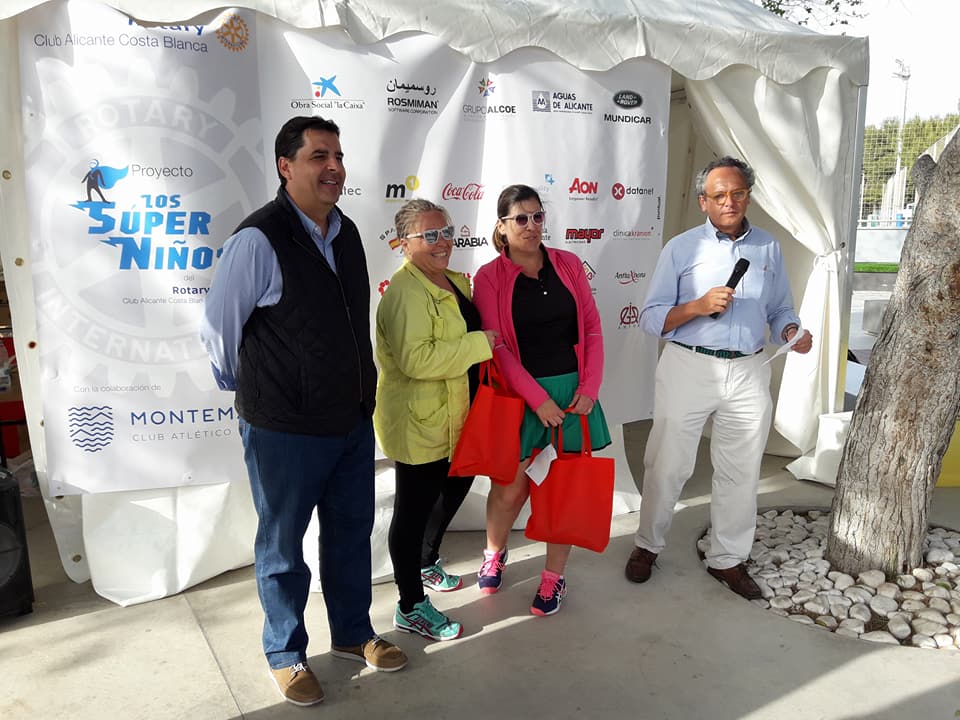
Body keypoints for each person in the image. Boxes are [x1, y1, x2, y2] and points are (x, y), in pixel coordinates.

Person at [200, 115, 407, 708]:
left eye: (337, 155)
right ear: (285, 166)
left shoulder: (347, 232)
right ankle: (286, 654)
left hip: (350, 420)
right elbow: (219, 328)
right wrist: (256, 392)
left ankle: (352, 634)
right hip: (284, 427)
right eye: (319, 156)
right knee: (282, 546)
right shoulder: (257, 239)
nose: (333, 167)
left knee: (350, 534)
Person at [623, 156, 813, 599]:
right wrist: (696, 306)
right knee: (668, 464)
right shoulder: (681, 248)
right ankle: (647, 545)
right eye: (720, 195)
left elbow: (780, 308)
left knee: (741, 470)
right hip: (689, 366)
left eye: (738, 193)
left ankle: (727, 558)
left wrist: (790, 330)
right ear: (703, 201)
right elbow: (651, 318)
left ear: (748, 196)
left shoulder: (768, 247)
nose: (730, 202)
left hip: (748, 370)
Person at [473, 183, 610, 617]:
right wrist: (536, 399)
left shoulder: (568, 264)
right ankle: (494, 552)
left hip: (572, 397)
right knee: (508, 489)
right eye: (520, 218)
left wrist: (589, 388)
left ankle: (554, 577)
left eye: (537, 216)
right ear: (502, 226)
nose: (531, 226)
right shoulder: (488, 277)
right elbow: (498, 348)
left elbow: (592, 328)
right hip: (520, 397)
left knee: (562, 492)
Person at [374, 199, 496, 642]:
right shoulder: (405, 293)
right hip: (420, 422)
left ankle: (426, 561)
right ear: (404, 244)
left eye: (446, 232)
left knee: (458, 483)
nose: (442, 242)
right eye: (429, 235)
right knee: (412, 512)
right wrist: (481, 343)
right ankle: (410, 606)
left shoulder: (452, 280)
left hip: (458, 415)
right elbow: (417, 360)